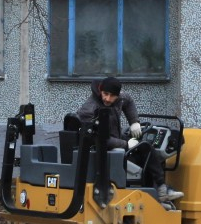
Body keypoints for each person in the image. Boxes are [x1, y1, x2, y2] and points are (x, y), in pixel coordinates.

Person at [75, 77, 184, 205]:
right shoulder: (89, 110)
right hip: (99, 150)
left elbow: (129, 101)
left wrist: (134, 122)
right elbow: (98, 139)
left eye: (112, 96)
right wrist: (125, 144)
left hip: (114, 141)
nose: (108, 99)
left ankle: (161, 190)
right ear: (100, 90)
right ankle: (156, 191)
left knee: (146, 148)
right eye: (106, 94)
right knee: (144, 154)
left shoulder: (120, 99)